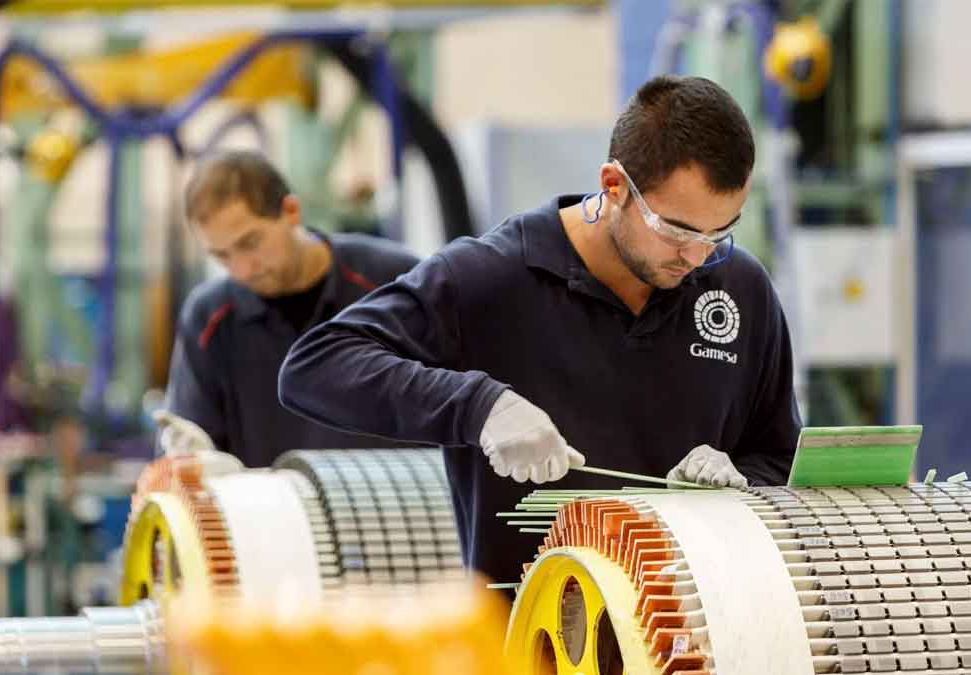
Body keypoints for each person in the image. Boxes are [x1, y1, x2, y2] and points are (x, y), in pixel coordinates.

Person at [277, 76, 800, 584]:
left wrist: (740, 481)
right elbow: (315, 366)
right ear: (613, 186)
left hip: (698, 637)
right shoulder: (490, 279)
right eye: (676, 230)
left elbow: (780, 456)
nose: (697, 255)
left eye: (720, 232)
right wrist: (478, 407)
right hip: (532, 643)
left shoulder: (740, 289)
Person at [163, 150, 420, 466]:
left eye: (250, 243)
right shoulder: (209, 319)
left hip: (404, 507)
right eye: (221, 256)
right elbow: (190, 449)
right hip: (271, 514)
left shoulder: (394, 284)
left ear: (291, 211)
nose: (242, 269)